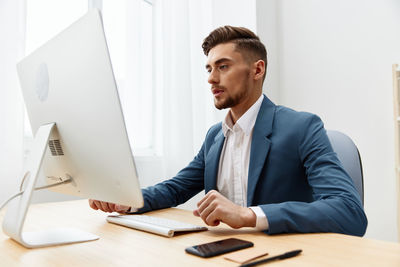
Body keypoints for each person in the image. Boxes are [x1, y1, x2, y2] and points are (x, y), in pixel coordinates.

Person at [89, 26, 367, 236]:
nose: (211, 78)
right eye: (209, 68)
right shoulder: (215, 135)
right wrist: (126, 201)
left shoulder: (302, 127)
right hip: (224, 252)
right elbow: (175, 189)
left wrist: (249, 215)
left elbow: (349, 211)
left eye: (223, 66)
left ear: (257, 70)